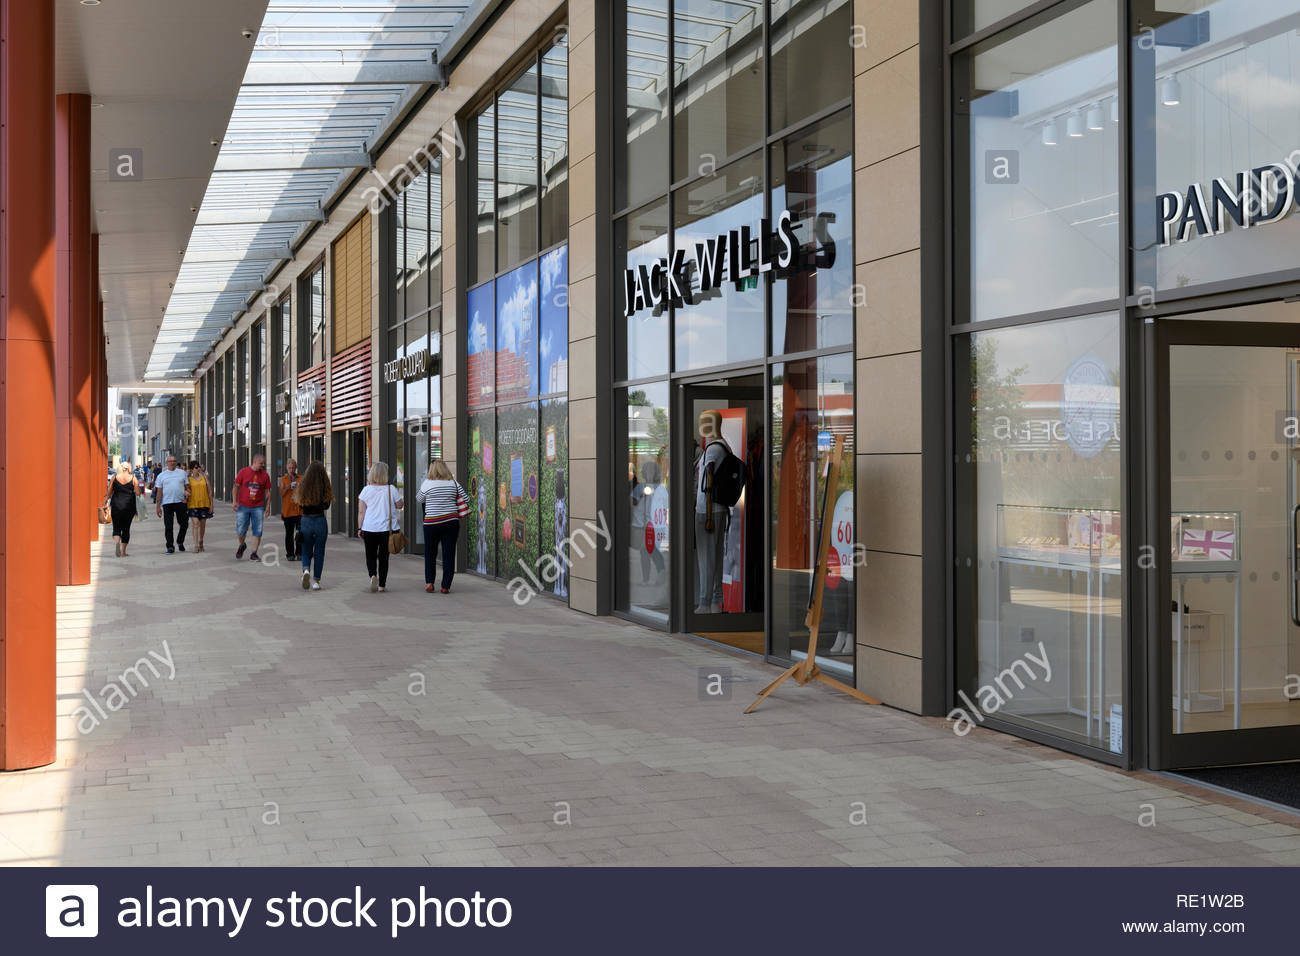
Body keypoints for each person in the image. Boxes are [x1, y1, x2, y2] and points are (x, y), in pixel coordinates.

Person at [694, 410, 730, 614]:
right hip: (718, 509)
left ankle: (705, 602)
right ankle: (716, 601)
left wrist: (706, 513)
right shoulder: (724, 446)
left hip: (707, 510)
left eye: (706, 422)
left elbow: (707, 484)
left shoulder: (713, 450)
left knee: (706, 558)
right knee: (714, 556)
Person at [415, 460, 467, 594]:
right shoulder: (453, 483)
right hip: (451, 522)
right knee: (448, 554)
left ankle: (430, 583)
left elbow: (419, 499)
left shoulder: (427, 483)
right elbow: (466, 499)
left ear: (431, 470)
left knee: (430, 554)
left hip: (431, 523)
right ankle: (445, 586)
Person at [357, 461, 403, 593]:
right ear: (385, 474)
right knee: (384, 557)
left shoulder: (366, 490)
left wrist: (360, 528)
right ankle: (382, 585)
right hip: (387, 530)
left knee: (370, 555)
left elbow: (361, 512)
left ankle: (373, 575)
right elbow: (400, 505)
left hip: (369, 527)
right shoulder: (391, 489)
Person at [294, 461, 332, 590]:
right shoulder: (325, 486)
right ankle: (316, 582)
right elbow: (327, 505)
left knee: (306, 551)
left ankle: (305, 571)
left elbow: (300, 505)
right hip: (320, 521)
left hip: (306, 521)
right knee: (319, 553)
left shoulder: (302, 486)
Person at [231, 452, 271, 562]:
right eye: (261, 463)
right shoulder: (243, 472)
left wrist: (268, 506)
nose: (262, 465)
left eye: (263, 463)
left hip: (258, 506)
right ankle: (242, 545)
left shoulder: (265, 475)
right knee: (240, 530)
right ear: (254, 462)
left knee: (257, 530)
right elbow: (235, 487)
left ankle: (254, 553)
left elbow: (268, 492)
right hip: (243, 506)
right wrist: (234, 501)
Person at [154, 454, 190, 554]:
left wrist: (187, 497)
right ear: (167, 463)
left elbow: (187, 487)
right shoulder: (161, 476)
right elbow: (159, 492)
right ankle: (170, 546)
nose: (172, 463)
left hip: (181, 502)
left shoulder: (182, 473)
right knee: (168, 526)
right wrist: (158, 507)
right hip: (167, 503)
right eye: (170, 461)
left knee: (184, 524)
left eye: (174, 461)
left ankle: (180, 541)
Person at [103, 462, 140, 557]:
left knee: (116, 528)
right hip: (129, 506)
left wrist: (105, 500)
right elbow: (138, 492)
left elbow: (109, 491)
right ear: (128, 469)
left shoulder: (114, 477)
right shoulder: (133, 478)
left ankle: (117, 543)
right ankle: (123, 552)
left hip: (116, 505)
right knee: (126, 528)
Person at [186, 461, 213, 552]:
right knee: (196, 523)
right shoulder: (188, 479)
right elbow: (185, 490)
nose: (197, 469)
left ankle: (201, 540)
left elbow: (209, 491)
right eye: (195, 467)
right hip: (193, 504)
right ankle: (196, 545)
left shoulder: (204, 477)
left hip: (204, 504)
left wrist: (211, 505)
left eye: (198, 467)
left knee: (202, 525)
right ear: (191, 469)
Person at [279, 459, 302, 560]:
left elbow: (304, 493)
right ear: (286, 468)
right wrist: (288, 487)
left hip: (299, 510)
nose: (291, 470)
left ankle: (299, 553)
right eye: (289, 468)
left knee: (300, 532)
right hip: (287, 511)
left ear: (295, 468)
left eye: (293, 468)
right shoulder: (283, 479)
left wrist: (299, 487)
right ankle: (290, 554)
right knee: (289, 534)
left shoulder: (301, 478)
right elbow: (281, 494)